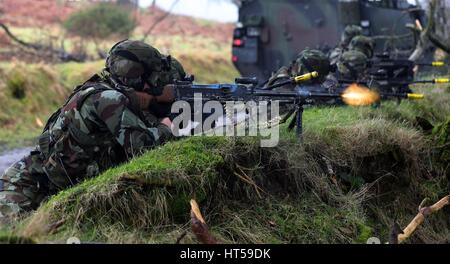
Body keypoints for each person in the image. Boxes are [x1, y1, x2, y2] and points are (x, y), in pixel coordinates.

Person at [0, 40, 183, 222]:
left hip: (56, 187)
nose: (155, 82)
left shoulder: (106, 88)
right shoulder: (107, 98)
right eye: (153, 76)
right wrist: (166, 127)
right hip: (27, 186)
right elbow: (144, 146)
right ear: (138, 74)